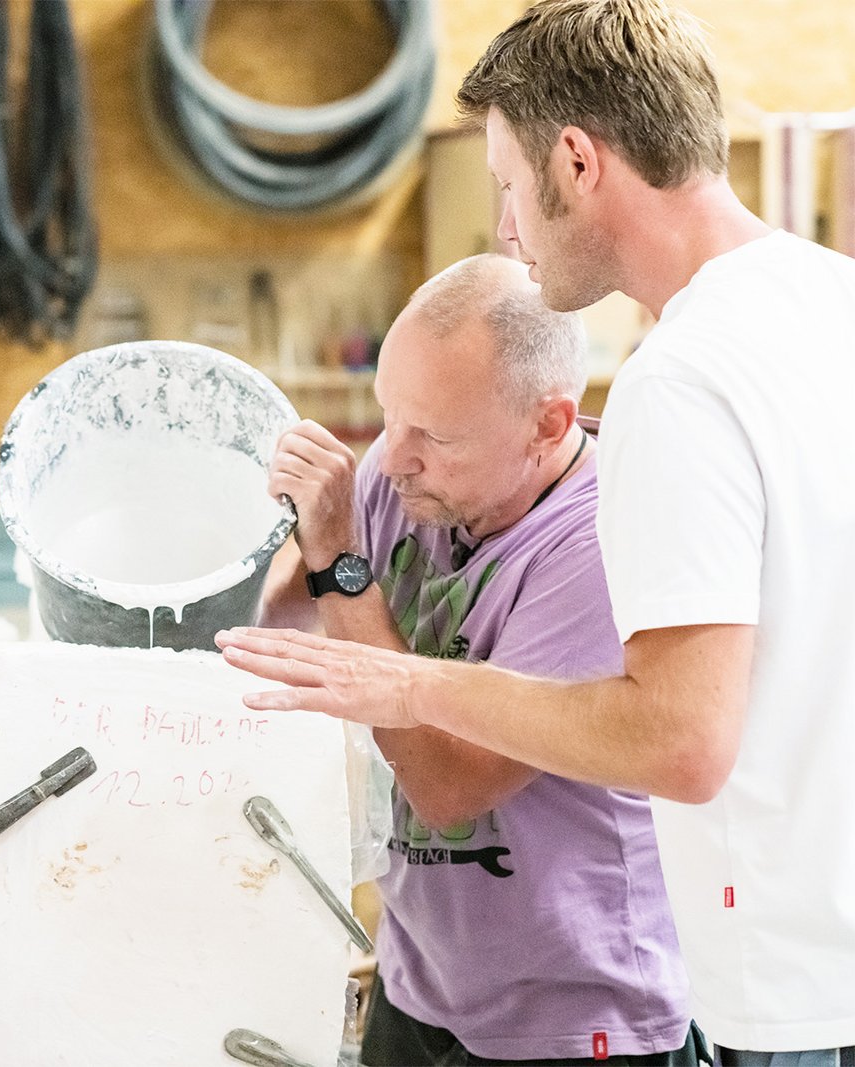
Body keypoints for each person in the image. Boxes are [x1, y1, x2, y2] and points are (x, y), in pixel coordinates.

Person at [219, 2, 855, 1062]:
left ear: (575, 159)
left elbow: (679, 742)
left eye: (509, 185)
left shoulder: (680, 381)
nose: (508, 227)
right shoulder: (833, 302)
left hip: (775, 983)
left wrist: (410, 685)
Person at [259, 254, 697, 1066]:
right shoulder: (410, 478)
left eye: (434, 434)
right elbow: (273, 630)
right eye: (391, 416)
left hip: (574, 1015)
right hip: (421, 981)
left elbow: (450, 788)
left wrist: (339, 564)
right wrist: (281, 532)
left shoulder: (601, 541)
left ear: (548, 425)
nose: (393, 458)